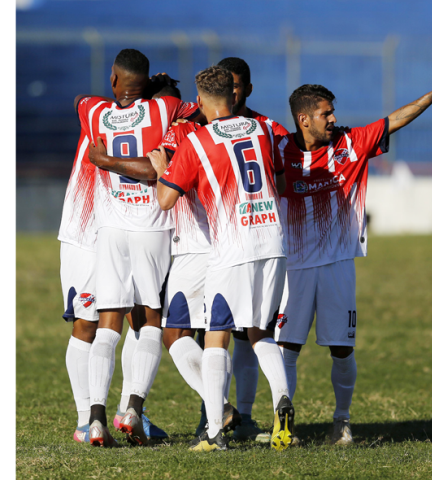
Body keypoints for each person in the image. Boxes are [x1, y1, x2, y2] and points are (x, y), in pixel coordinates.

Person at [274, 68, 432, 445]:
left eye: (332, 112)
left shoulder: (351, 142)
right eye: (324, 114)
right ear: (303, 119)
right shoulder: (279, 150)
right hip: (293, 266)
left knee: (342, 349)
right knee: (286, 348)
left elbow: (397, 118)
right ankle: (283, 424)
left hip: (337, 264)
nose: (333, 119)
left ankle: (342, 422)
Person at [148, 66, 295, 452]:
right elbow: (278, 181)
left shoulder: (197, 141)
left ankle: (214, 431)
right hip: (274, 242)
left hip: (233, 248)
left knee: (216, 336)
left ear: (200, 102)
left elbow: (165, 200)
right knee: (260, 331)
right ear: (235, 96)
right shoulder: (262, 130)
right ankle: (282, 400)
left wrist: (163, 168)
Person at [81, 48, 200, 447]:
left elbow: (81, 101)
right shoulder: (164, 109)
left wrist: (106, 159)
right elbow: (184, 103)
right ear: (147, 83)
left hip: (112, 228)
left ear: (114, 80)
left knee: (108, 322)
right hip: (152, 226)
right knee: (150, 320)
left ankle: (95, 418)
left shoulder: (95, 111)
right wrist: (157, 88)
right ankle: (132, 407)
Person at [61, 78, 185, 446]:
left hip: (114, 226)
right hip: (85, 231)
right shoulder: (145, 114)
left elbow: (80, 97)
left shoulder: (103, 112)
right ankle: (88, 418)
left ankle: (124, 413)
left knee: (128, 318)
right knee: (92, 321)